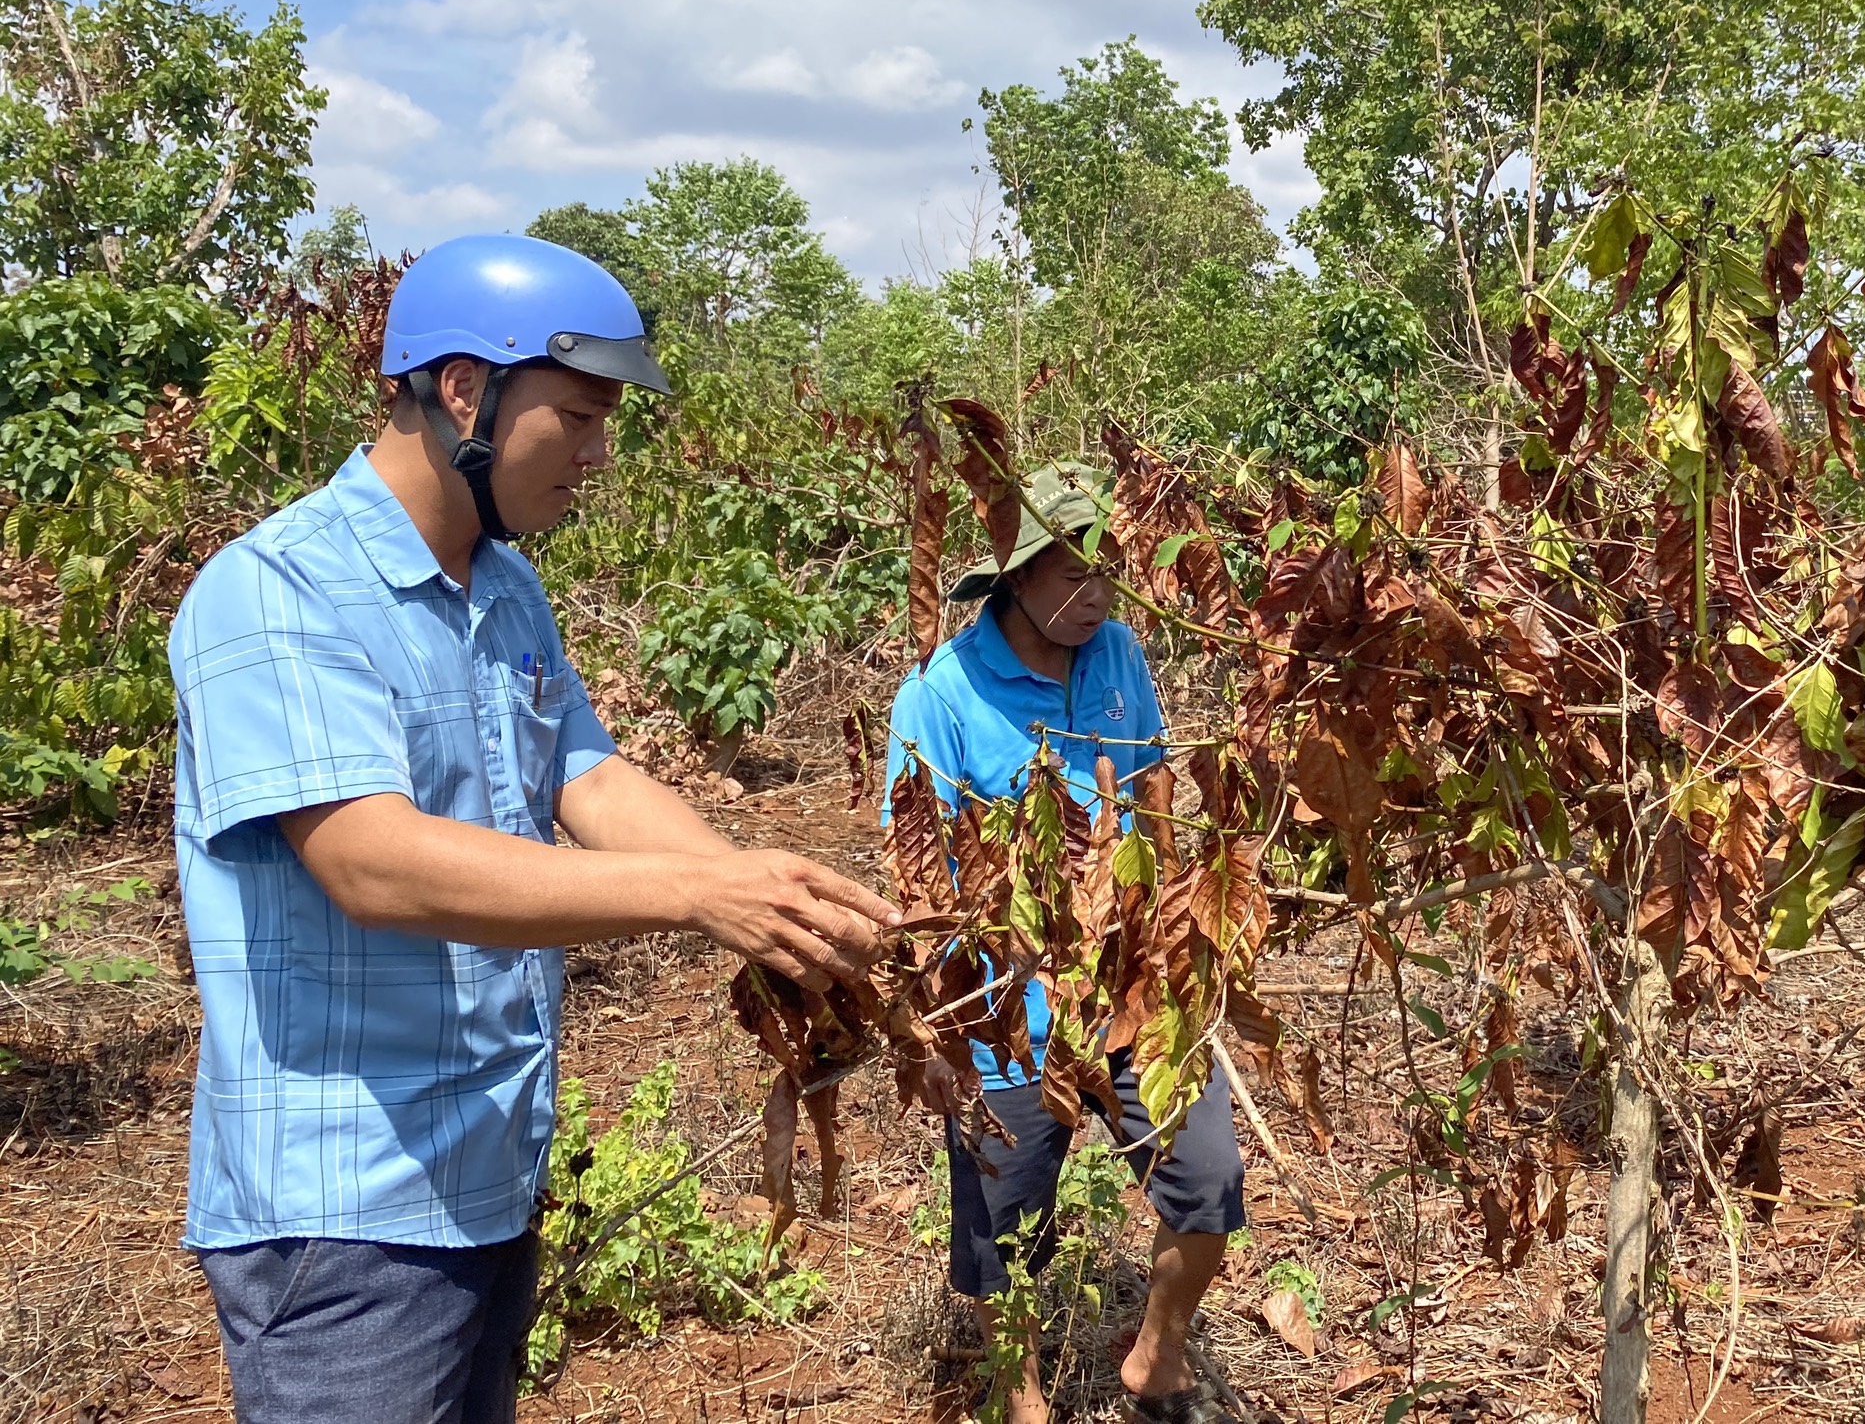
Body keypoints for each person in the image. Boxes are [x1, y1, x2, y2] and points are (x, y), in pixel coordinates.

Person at [171, 235, 902, 1424]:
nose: (601, 454)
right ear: (466, 389)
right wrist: (694, 900)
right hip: (346, 1204)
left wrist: (773, 900)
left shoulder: (505, 590)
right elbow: (369, 860)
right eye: (580, 415)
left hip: (489, 1167)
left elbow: (587, 775)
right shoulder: (279, 590)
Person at [887, 463, 1245, 1424]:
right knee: (1005, 1244)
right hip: (1013, 1010)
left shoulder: (1118, 652)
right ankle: (1026, 1399)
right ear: (1013, 577)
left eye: (1107, 571)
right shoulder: (940, 693)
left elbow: (1155, 775)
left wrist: (1176, 917)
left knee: (1209, 1181)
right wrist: (947, 1022)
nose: (1096, 596)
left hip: (1133, 992)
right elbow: (922, 874)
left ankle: (1156, 1362)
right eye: (1070, 575)